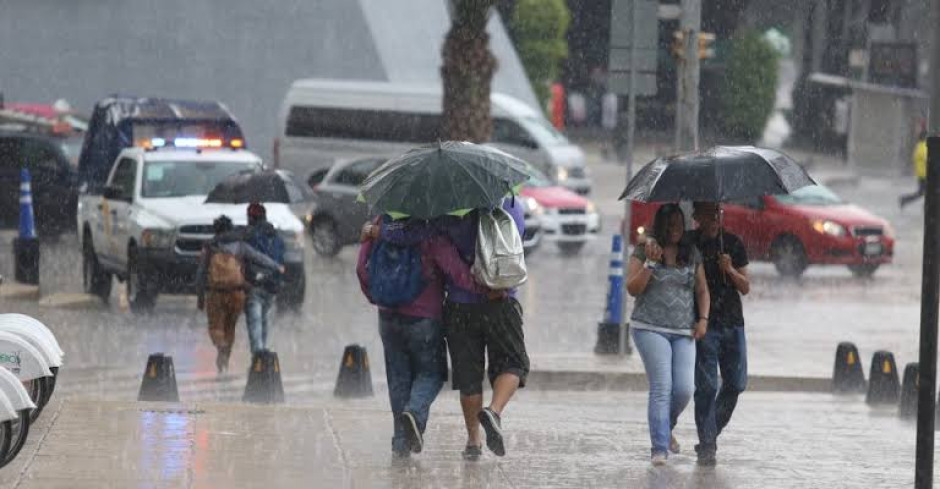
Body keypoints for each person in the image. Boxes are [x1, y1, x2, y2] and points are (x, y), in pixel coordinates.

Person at [365, 197, 529, 461]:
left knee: (467, 376)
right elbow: (517, 247)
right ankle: (494, 411)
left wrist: (378, 231)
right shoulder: (511, 206)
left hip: (458, 306)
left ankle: (472, 441)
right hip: (501, 301)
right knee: (513, 363)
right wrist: (491, 286)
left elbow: (441, 257)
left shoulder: (445, 212)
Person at [356, 217, 490, 459]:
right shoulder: (430, 230)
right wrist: (484, 288)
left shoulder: (378, 226)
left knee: (398, 379)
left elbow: (361, 268)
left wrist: (376, 297)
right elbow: (456, 271)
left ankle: (400, 443)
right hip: (425, 317)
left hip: (387, 317)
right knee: (432, 374)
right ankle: (415, 414)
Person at [626, 203, 710, 467]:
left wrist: (703, 320)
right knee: (662, 387)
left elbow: (702, 291)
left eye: (679, 223)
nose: (675, 228)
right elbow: (632, 288)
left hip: (683, 330)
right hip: (650, 328)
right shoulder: (644, 249)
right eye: (670, 223)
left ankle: (666, 425)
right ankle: (659, 448)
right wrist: (651, 262)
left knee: (684, 389)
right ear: (660, 225)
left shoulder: (691, 252)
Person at [689, 202, 750, 466]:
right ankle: (708, 445)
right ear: (697, 218)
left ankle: (708, 436)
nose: (714, 220)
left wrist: (730, 270)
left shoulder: (733, 243)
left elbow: (746, 286)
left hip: (733, 323)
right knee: (706, 386)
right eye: (708, 215)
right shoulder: (690, 244)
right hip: (706, 324)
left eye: (717, 214)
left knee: (735, 383)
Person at [195, 215, 284, 374]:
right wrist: (276, 266)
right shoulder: (240, 246)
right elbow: (259, 258)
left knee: (216, 326)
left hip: (216, 293)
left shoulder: (210, 247)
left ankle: (220, 346)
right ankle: (224, 361)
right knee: (230, 327)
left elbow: (201, 273)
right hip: (237, 293)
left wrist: (200, 296)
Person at [243, 202, 286, 354]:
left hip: (255, 284)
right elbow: (281, 257)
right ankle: (263, 355)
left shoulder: (249, 236)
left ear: (251, 217)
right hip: (272, 285)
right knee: (264, 320)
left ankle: (258, 356)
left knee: (255, 322)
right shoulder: (277, 237)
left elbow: (249, 257)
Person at [900, 131, 928, 209]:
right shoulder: (923, 147)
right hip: (924, 174)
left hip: (922, 174)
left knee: (923, 192)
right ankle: (905, 200)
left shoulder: (919, 146)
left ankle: (905, 200)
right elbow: (928, 159)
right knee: (926, 192)